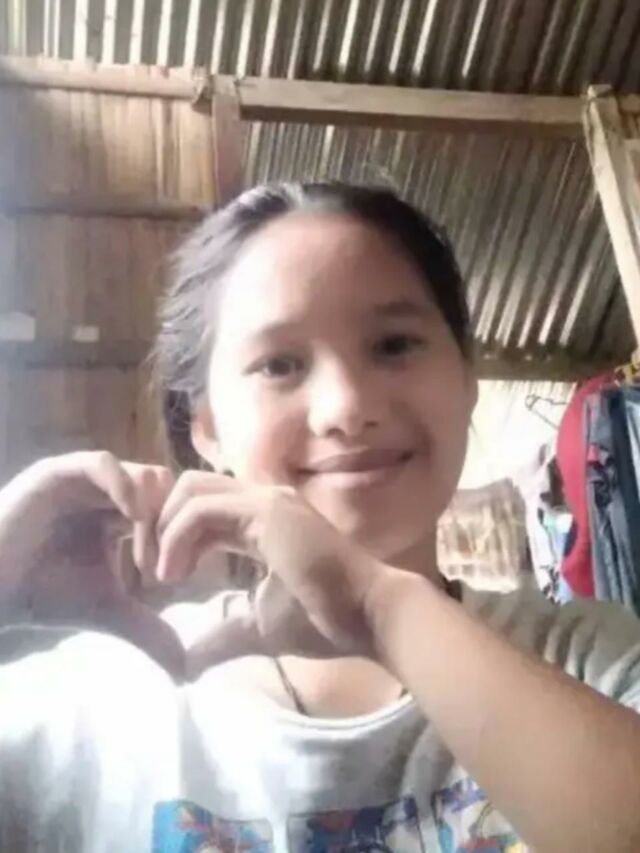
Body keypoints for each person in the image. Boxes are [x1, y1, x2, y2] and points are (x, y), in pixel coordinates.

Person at [0, 183, 640, 853]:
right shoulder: (96, 702)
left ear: (466, 377)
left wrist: (379, 606)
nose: (347, 406)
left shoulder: (591, 664)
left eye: (394, 344)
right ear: (207, 428)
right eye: (279, 364)